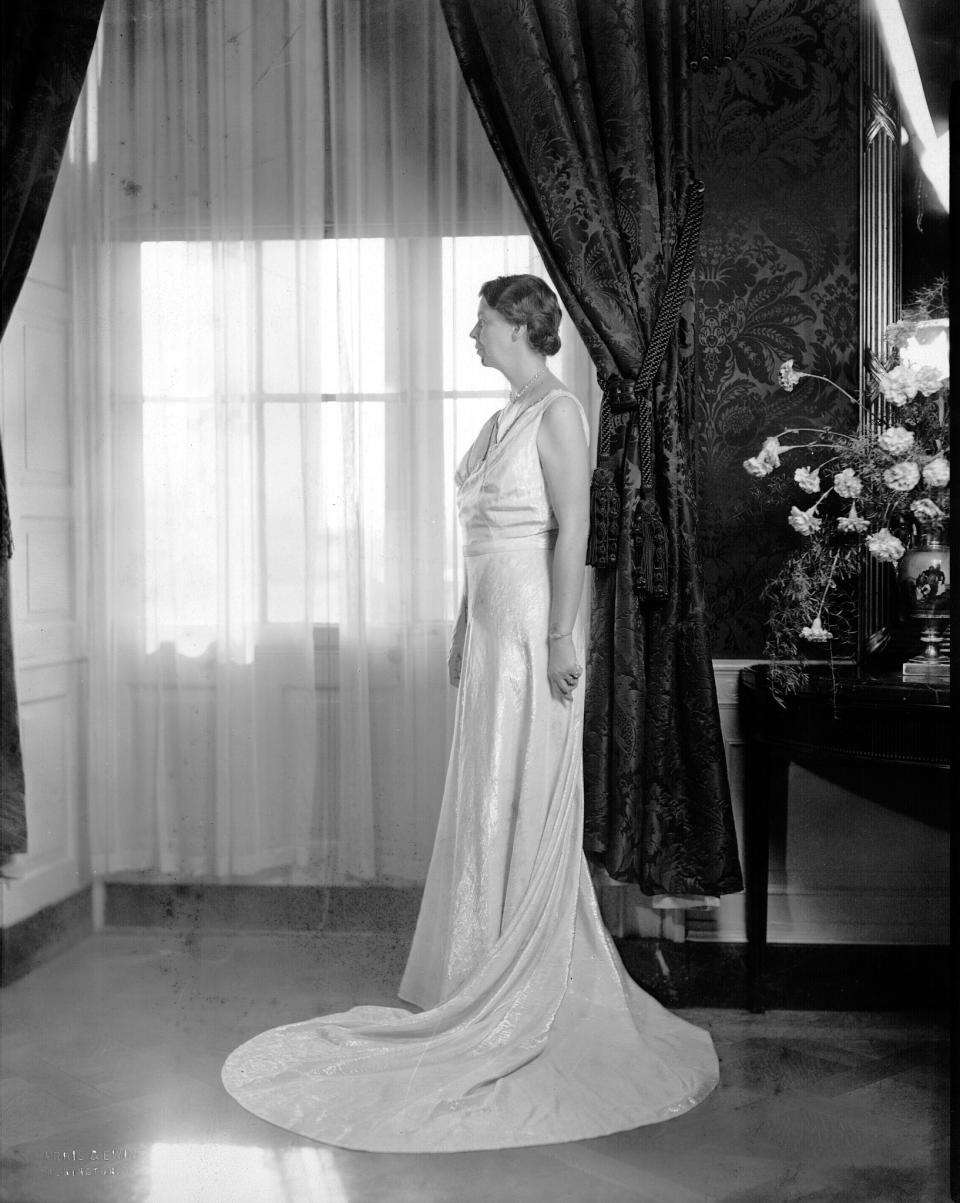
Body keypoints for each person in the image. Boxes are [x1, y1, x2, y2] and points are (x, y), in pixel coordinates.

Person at [221, 274, 719, 1152]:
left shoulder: (559, 413)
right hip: (491, 631)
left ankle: (526, 981)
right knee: (486, 793)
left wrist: (565, 635)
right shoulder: (503, 419)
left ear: (523, 327)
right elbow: (481, 538)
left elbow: (573, 532)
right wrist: (461, 621)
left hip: (535, 630)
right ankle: (478, 970)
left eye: (483, 321)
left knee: (523, 794)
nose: (472, 333)